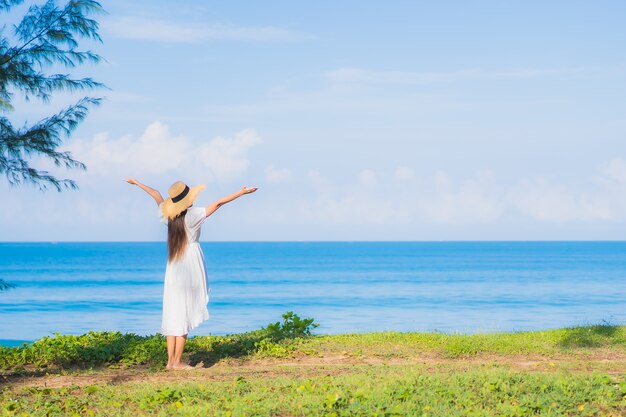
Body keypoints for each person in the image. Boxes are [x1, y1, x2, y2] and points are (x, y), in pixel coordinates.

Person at [126, 178, 258, 370]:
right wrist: (241, 192)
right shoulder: (195, 214)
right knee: (185, 311)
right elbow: (219, 203)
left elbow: (155, 194)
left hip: (174, 265)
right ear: (188, 199)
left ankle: (170, 361)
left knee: (173, 310)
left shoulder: (168, 216)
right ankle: (177, 362)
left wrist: (137, 183)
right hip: (191, 263)